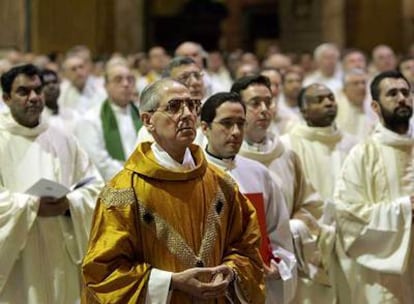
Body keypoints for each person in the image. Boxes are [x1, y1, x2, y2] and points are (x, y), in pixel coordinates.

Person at [82, 79, 265, 303]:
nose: (187, 114)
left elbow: (247, 245)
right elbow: (104, 272)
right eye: (174, 106)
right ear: (148, 121)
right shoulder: (123, 192)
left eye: (192, 105)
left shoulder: (222, 184)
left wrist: (231, 272)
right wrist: (171, 282)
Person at [0, 64, 103, 303]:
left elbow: (95, 186)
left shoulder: (63, 139)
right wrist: (31, 205)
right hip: (18, 259)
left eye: (38, 90)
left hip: (61, 251)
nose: (34, 98)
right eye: (23, 92)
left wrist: (70, 203)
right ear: (6, 98)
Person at [231, 75, 335, 303]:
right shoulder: (225, 159)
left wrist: (294, 229)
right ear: (238, 109)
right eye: (255, 103)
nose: (265, 110)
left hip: (284, 263)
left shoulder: (286, 155)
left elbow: (308, 204)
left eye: (269, 102)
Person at [200, 91, 297, 304]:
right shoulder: (195, 175)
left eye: (240, 124)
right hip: (212, 285)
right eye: (226, 123)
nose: (235, 132)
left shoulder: (258, 173)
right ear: (205, 128)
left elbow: (277, 229)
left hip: (257, 282)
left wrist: (277, 263)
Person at [334, 70, 414, 303]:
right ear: (376, 107)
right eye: (392, 93)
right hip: (385, 271)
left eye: (405, 92)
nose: (401, 98)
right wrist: (403, 209)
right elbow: (346, 212)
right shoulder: (363, 154)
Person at [281, 83, 357, 200]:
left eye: (331, 98)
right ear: (304, 111)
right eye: (319, 100)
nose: (328, 103)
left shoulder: (352, 144)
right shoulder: (288, 145)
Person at [75, 63, 142, 181]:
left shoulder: (142, 114)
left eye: (130, 79)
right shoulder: (90, 119)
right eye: (118, 79)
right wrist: (133, 176)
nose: (126, 84)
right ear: (106, 86)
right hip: (111, 186)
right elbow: (99, 161)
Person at [136, 56, 206, 146]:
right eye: (184, 77)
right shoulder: (155, 129)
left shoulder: (214, 115)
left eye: (197, 76)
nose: (195, 82)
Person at [335, 69, 376, 140]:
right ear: (344, 90)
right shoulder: (336, 110)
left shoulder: (374, 107)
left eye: (363, 83)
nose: (361, 87)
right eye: (355, 83)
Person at [40, 68, 80, 133]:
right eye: (46, 84)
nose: (51, 86)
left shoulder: (72, 114)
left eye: (54, 82)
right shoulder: (38, 119)